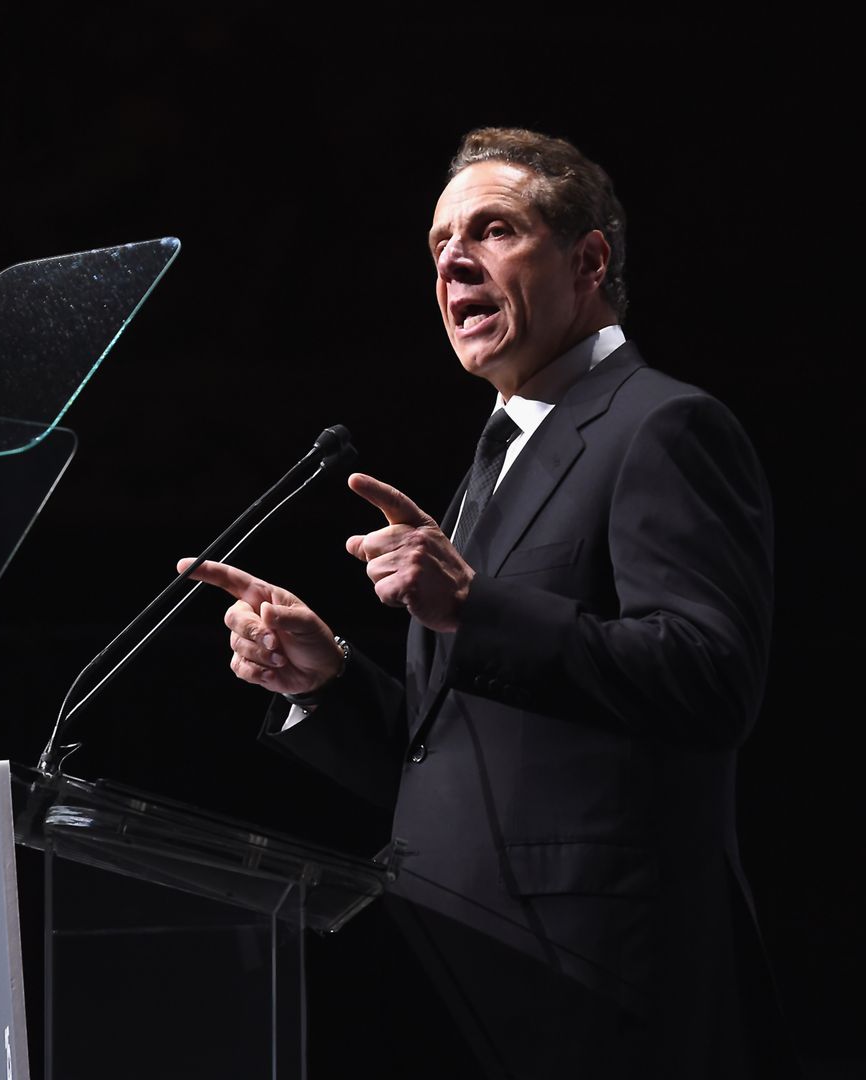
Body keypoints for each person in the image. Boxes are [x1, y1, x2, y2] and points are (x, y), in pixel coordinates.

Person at [180, 127, 796, 1078]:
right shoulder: (496, 461)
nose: (454, 260)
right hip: (460, 971)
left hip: (601, 979)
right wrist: (331, 680)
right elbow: (464, 752)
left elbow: (711, 679)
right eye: (439, 245)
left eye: (494, 230)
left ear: (589, 259)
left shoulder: (663, 426)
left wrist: (477, 607)